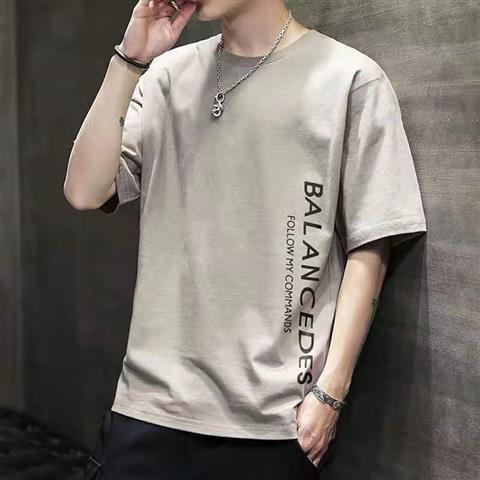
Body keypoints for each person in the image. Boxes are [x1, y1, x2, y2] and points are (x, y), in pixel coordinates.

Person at [64, 0, 428, 478]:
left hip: (272, 424)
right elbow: (85, 191)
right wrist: (130, 60)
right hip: (148, 411)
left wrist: (330, 393)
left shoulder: (349, 79)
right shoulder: (166, 77)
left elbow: (371, 244)